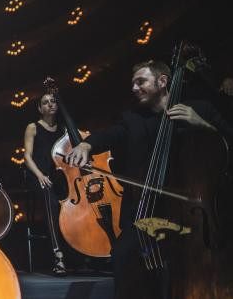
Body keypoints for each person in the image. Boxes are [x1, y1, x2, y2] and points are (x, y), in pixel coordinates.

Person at [65, 59, 233, 297]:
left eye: (140, 81)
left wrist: (202, 124)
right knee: (123, 255)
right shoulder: (132, 119)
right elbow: (110, 134)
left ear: (163, 81)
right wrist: (86, 145)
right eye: (133, 83)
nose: (134, 88)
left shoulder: (200, 109)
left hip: (195, 216)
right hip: (146, 213)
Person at [23, 93, 67, 275]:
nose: (50, 105)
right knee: (51, 204)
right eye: (45, 103)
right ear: (40, 109)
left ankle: (81, 251)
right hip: (40, 176)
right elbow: (27, 157)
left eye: (53, 101)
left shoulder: (64, 129)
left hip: (60, 176)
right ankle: (58, 256)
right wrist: (40, 175)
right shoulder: (33, 127)